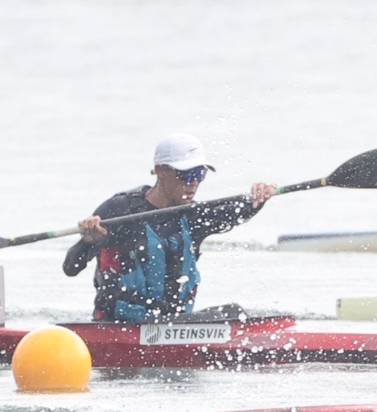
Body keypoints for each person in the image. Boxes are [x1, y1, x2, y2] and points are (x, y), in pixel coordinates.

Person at [62, 133, 276, 322]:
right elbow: (71, 268)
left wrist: (259, 198)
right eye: (186, 174)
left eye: (199, 174)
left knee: (235, 312)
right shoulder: (120, 210)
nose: (193, 183)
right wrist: (88, 241)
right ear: (161, 171)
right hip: (118, 325)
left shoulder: (194, 217)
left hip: (175, 324)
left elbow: (237, 212)